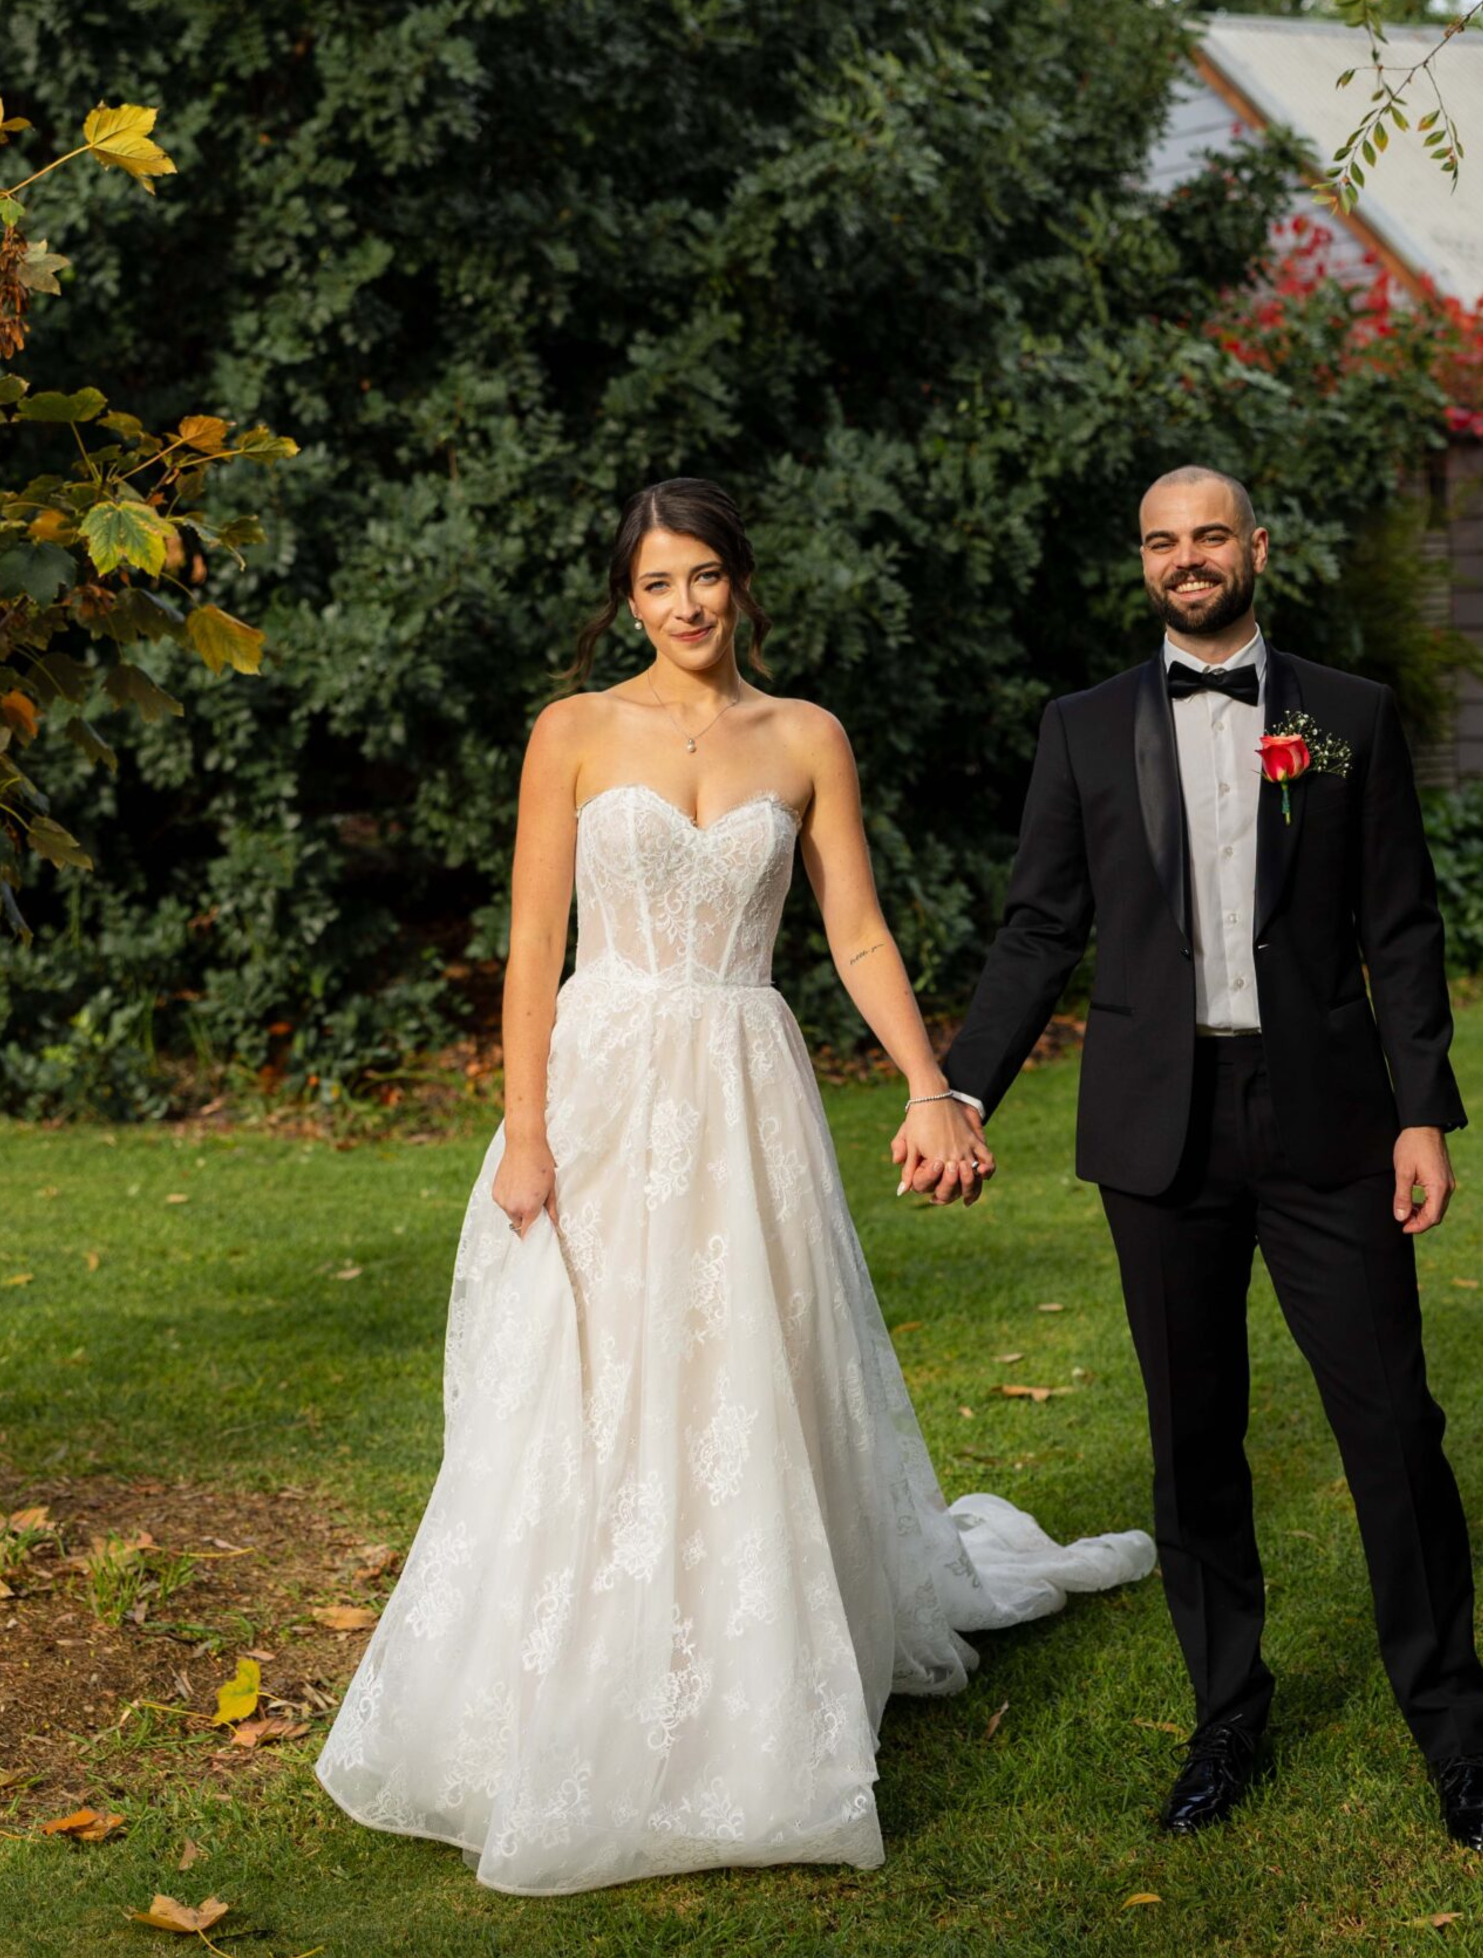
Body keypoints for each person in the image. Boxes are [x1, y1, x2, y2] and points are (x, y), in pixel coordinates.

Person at [316, 477, 1152, 1895]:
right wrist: (524, 1129)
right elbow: (530, 947)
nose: (684, 605)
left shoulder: (807, 735)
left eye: (703, 575)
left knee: (740, 1370)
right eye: (656, 585)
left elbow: (859, 933)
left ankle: (751, 1675)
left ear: (739, 582)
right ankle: (567, 1671)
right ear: (626, 600)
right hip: (601, 1076)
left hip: (745, 1081)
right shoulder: (572, 733)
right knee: (594, 1372)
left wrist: (932, 1084)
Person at [939, 465, 1483, 1854]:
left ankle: (1454, 1736)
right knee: (1193, 1444)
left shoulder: (1345, 717)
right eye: (1160, 543)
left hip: (1329, 1124)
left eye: (1208, 536)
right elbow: (1037, 930)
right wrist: (962, 1089)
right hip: (1158, 1126)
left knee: (1392, 1426)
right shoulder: (1080, 731)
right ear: (1141, 565)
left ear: (1256, 547)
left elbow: (1404, 929)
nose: (1186, 560)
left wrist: (1422, 1108)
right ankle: (1226, 1721)